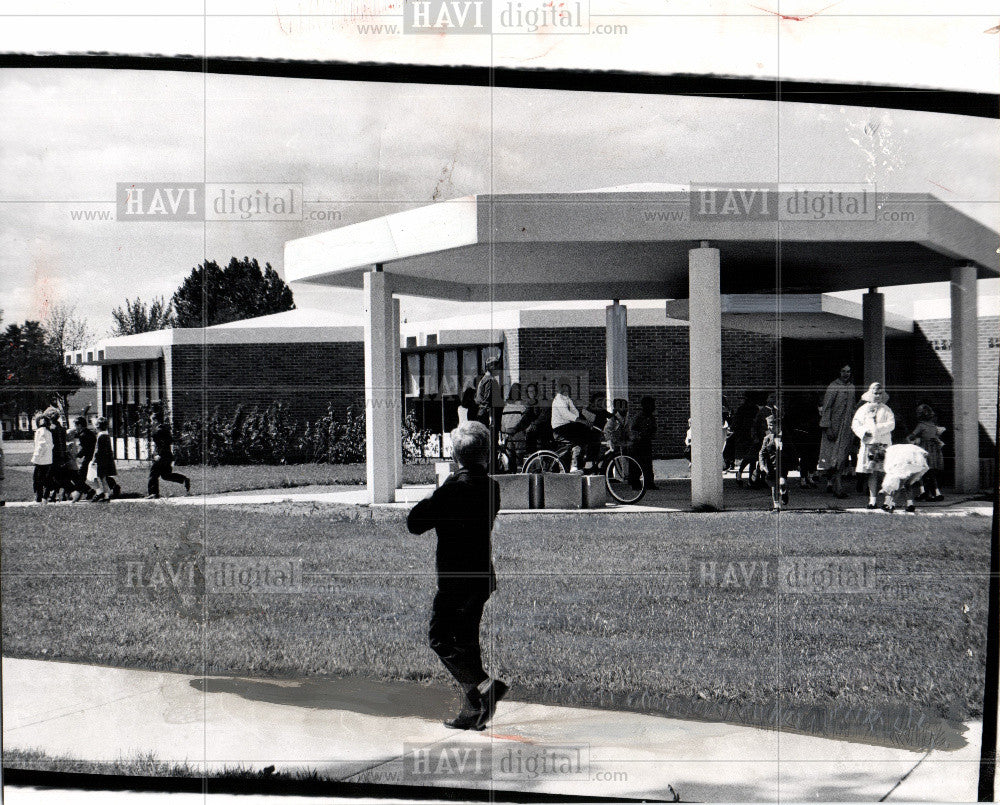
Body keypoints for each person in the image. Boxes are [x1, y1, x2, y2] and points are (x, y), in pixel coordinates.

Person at [406, 421, 508, 731]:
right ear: (487, 456)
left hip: (454, 580)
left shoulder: (451, 490)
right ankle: (472, 711)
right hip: (480, 576)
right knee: (466, 642)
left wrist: (437, 491)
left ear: (454, 456)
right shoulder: (493, 487)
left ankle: (483, 684)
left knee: (439, 637)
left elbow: (414, 522)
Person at [851, 382, 895, 509]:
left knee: (886, 472)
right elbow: (856, 424)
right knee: (872, 472)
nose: (877, 395)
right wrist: (865, 432)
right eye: (875, 393)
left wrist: (877, 428)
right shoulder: (863, 409)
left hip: (883, 444)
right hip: (870, 444)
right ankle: (873, 500)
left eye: (880, 393)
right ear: (870, 394)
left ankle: (888, 500)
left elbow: (891, 424)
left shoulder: (886, 409)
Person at [817, 364, 856, 498]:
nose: (846, 374)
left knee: (842, 458)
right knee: (832, 458)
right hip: (833, 428)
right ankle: (836, 487)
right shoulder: (833, 386)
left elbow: (852, 408)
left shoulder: (851, 387)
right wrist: (827, 427)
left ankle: (836, 486)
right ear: (839, 372)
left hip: (846, 429)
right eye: (844, 371)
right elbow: (826, 408)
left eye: (848, 371)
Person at [550, 381, 600, 473]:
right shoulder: (559, 400)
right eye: (564, 388)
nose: (566, 390)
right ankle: (576, 465)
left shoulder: (567, 399)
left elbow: (575, 412)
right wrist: (582, 421)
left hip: (568, 427)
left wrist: (586, 422)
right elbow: (566, 414)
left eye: (567, 388)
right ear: (560, 389)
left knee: (589, 435)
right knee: (578, 441)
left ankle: (586, 463)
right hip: (560, 429)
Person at [147, 411, 191, 499]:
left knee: (153, 474)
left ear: (156, 420)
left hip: (162, 456)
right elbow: (169, 441)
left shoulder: (159, 431)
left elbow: (162, 444)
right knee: (165, 475)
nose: (151, 422)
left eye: (152, 420)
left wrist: (158, 454)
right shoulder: (165, 429)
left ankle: (153, 493)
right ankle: (184, 479)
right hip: (168, 456)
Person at [906, 404, 945, 502]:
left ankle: (927, 493)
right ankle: (934, 492)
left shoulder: (921, 425)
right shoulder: (933, 425)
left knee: (923, 472)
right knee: (931, 473)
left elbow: (912, 436)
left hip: (925, 450)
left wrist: (910, 439)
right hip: (934, 450)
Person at [880, 443, 929, 513]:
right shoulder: (894, 449)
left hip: (907, 464)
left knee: (898, 485)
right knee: (907, 484)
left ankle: (891, 504)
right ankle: (910, 504)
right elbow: (923, 453)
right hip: (917, 463)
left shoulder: (890, 452)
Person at [759, 409, 790, 511]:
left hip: (782, 465)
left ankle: (784, 492)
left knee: (781, 482)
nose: (769, 427)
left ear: (778, 426)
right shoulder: (767, 439)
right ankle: (776, 504)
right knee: (773, 486)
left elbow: (792, 450)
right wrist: (762, 465)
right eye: (768, 425)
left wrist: (795, 462)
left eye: (771, 425)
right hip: (771, 466)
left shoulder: (785, 438)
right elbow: (762, 453)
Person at [732, 390, 759, 485]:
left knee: (751, 458)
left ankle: (746, 476)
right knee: (751, 457)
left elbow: (735, 424)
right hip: (748, 436)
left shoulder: (744, 409)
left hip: (747, 435)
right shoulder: (752, 409)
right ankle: (750, 479)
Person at [631, 396, 657, 490]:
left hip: (646, 441)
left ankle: (649, 483)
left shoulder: (651, 417)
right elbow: (633, 429)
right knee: (637, 464)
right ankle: (635, 483)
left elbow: (653, 428)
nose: (653, 407)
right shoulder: (639, 417)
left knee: (648, 464)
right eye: (651, 405)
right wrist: (638, 436)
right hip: (638, 443)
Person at [499, 383, 528, 468]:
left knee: (510, 459)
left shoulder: (506, 406)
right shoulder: (522, 406)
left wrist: (504, 432)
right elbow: (523, 422)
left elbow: (502, 422)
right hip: (518, 434)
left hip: (507, 434)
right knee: (519, 459)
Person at [91, 417, 116, 503]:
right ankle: (106, 496)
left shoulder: (100, 436)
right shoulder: (107, 435)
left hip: (101, 461)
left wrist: (94, 460)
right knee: (103, 479)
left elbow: (97, 450)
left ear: (98, 426)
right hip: (106, 460)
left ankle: (99, 492)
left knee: (92, 477)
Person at [31, 414, 54, 504]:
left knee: (37, 479)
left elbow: (41, 445)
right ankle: (45, 497)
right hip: (48, 459)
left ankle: (39, 498)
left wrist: (36, 457)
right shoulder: (49, 431)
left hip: (41, 460)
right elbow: (51, 445)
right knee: (46, 479)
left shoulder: (40, 431)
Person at [74, 416, 98, 500]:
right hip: (93, 457)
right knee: (96, 475)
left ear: (80, 425)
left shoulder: (82, 435)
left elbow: (85, 449)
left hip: (88, 458)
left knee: (79, 478)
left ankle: (88, 491)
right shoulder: (90, 433)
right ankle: (114, 486)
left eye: (76, 425)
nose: (75, 427)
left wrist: (77, 455)